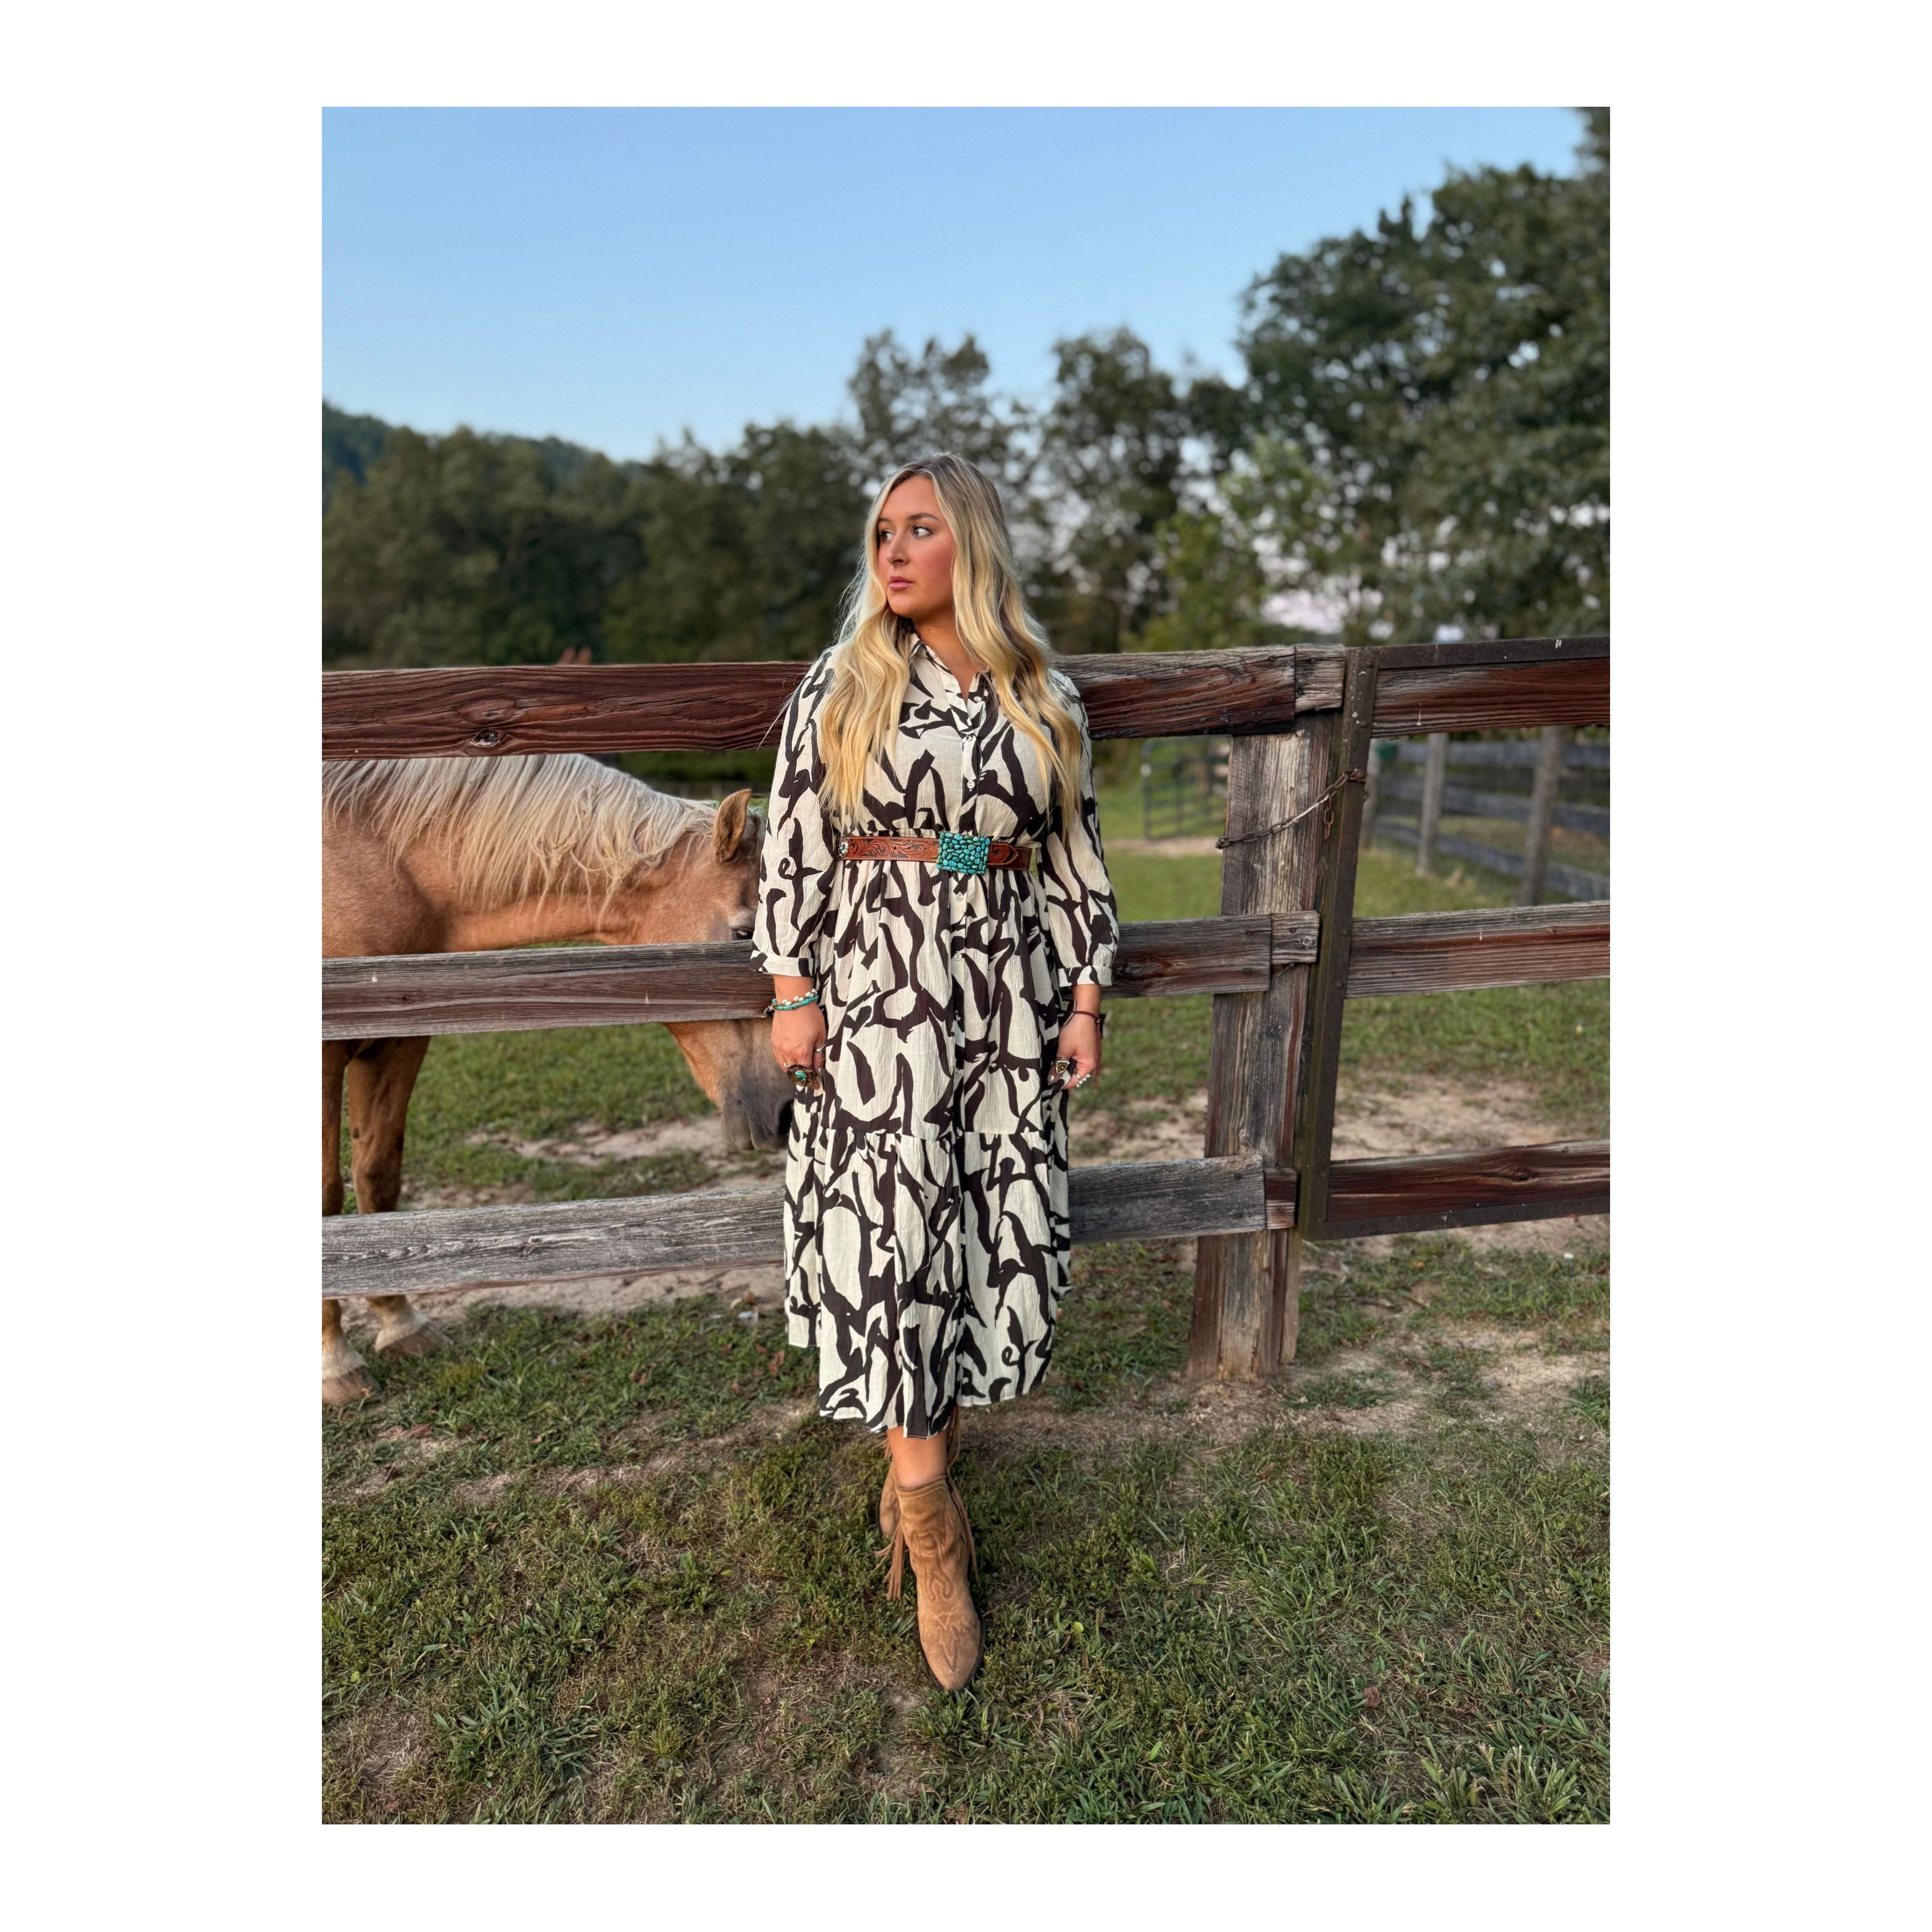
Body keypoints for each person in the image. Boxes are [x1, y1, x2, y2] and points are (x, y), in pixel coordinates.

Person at [750, 452, 1119, 1691]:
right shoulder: (844, 684)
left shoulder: (1039, 692)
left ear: (972, 544)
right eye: (880, 533)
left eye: (918, 530)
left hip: (1005, 1003)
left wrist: (1082, 993)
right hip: (880, 1002)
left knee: (967, 1234)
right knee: (898, 1238)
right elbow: (798, 843)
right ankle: (933, 1530)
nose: (892, 552)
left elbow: (1070, 851)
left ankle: (927, 1460)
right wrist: (794, 991)